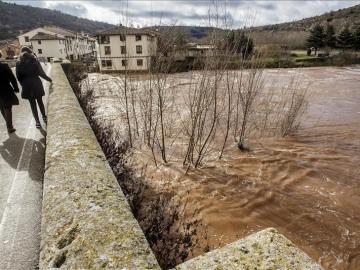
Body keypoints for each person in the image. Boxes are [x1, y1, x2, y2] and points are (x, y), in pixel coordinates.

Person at [16, 46, 52, 129]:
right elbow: (41, 73)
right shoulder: (34, 61)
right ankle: (44, 117)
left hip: (26, 86)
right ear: (30, 52)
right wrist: (49, 79)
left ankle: (37, 122)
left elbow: (18, 77)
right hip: (36, 83)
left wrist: (23, 85)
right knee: (40, 101)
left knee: (32, 105)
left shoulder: (18, 63)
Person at [0, 50, 19, 133]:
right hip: (6, 89)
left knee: (2, 108)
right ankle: (9, 127)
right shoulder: (4, 66)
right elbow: (12, 78)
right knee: (7, 108)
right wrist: (16, 88)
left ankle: (9, 125)